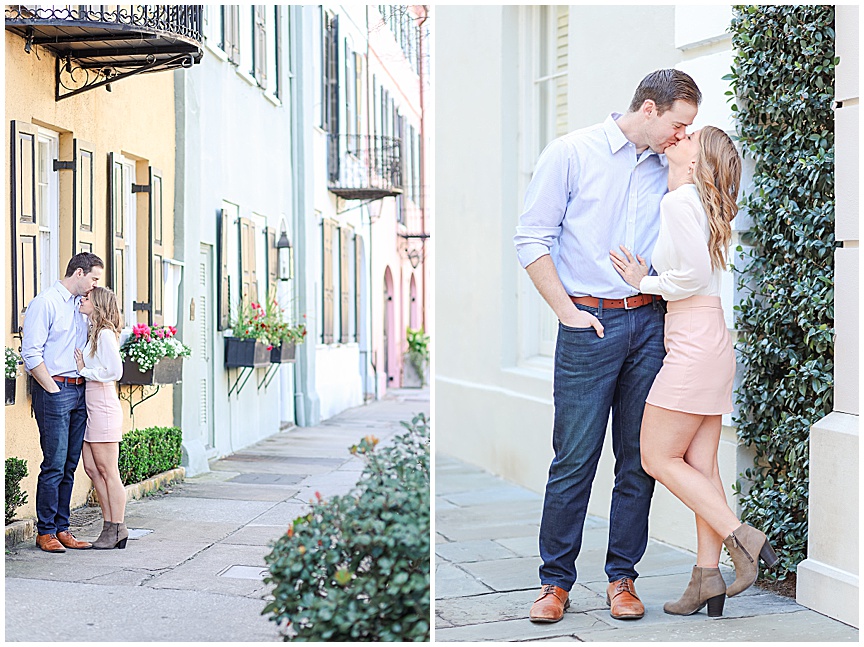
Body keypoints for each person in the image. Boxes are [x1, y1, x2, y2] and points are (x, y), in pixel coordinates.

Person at [514, 69, 701, 623]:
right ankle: (555, 584)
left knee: (639, 461)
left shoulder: (668, 166)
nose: (682, 135)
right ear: (649, 108)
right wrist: (567, 312)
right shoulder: (571, 153)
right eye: (678, 123)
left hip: (649, 324)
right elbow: (531, 236)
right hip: (588, 323)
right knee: (574, 459)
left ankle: (623, 578)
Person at [609, 125, 778, 617]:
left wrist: (646, 281)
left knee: (655, 456)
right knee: (702, 467)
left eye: (688, 137)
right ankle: (707, 577)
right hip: (709, 338)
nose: (676, 138)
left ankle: (740, 535)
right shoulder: (698, 204)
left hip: (692, 344)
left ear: (696, 159)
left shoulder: (679, 202)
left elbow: (692, 278)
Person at [21, 252, 104, 552]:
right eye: (94, 278)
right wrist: (53, 390)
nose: (95, 285)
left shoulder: (82, 307)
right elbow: (31, 353)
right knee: (54, 464)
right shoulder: (46, 302)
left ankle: (62, 528)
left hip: (80, 390)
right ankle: (45, 532)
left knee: (70, 465)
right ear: (79, 273)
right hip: (55, 389)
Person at [75, 286, 128, 550]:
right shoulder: (94, 332)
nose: (82, 300)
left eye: (87, 298)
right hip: (91, 405)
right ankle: (109, 526)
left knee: (108, 471)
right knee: (92, 469)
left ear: (97, 305)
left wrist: (86, 371)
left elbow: (115, 371)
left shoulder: (106, 334)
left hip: (104, 405)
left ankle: (116, 527)